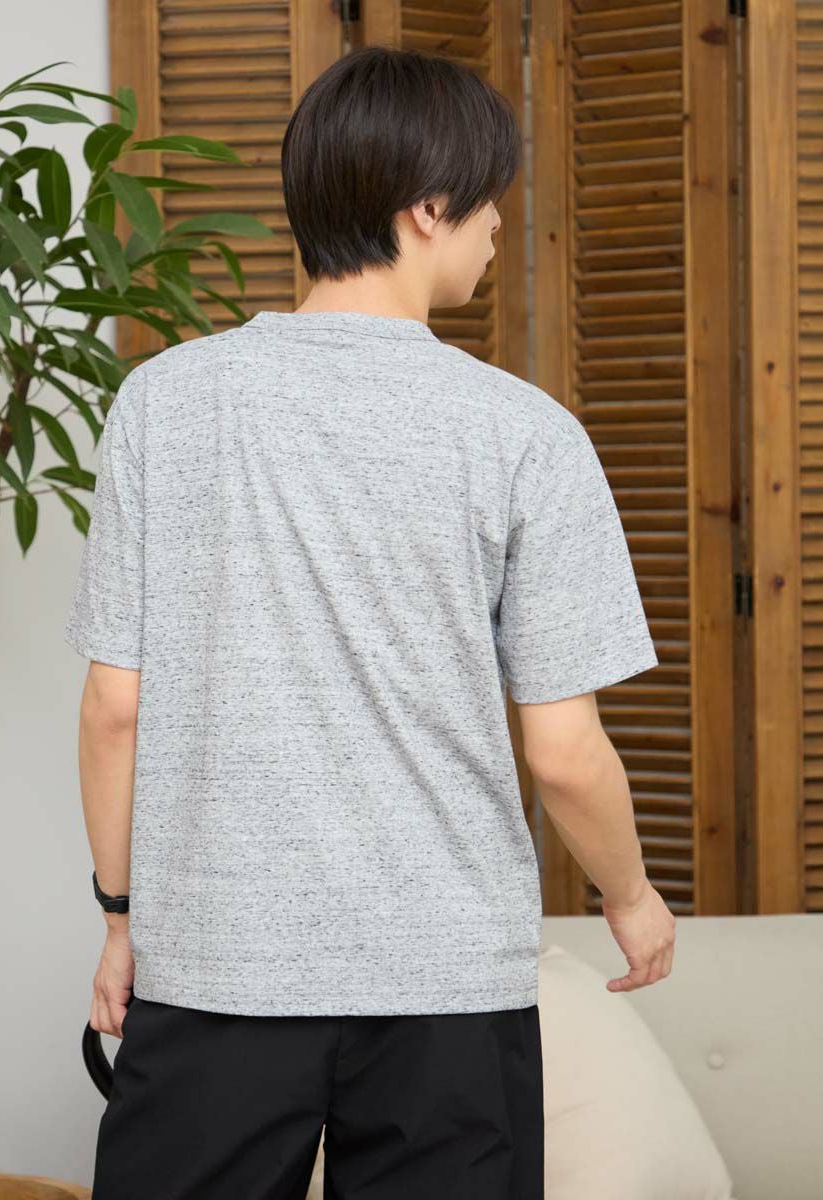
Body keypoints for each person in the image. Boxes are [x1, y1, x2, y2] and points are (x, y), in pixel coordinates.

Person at [64, 43, 675, 1200]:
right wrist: (630, 894)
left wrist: (119, 916)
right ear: (427, 208)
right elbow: (563, 750)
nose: (499, 225)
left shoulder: (165, 404)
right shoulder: (525, 434)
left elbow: (113, 709)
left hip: (217, 965)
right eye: (487, 199)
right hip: (446, 985)